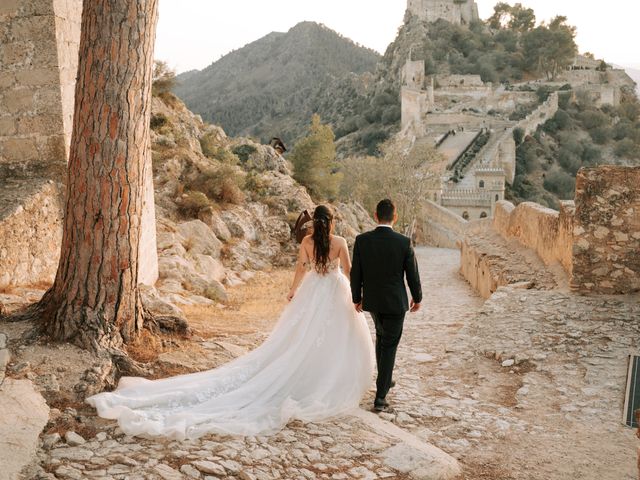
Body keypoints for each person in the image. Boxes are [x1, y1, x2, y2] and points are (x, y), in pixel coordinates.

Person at [86, 205, 374, 439]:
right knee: (333, 337)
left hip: (313, 291)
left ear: (314, 223)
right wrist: (357, 295)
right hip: (333, 290)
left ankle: (308, 373)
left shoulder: (307, 243)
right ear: (332, 223)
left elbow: (301, 268)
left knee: (301, 338)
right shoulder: (339, 243)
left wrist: (294, 290)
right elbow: (347, 271)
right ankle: (323, 377)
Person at [350, 199, 422, 412]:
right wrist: (417, 298)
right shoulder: (403, 242)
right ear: (395, 217)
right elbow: (413, 275)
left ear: (375, 215)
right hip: (395, 303)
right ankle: (381, 397)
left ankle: (385, 378)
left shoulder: (362, 240)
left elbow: (356, 274)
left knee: (382, 338)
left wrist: (357, 298)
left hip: (373, 302)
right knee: (389, 345)